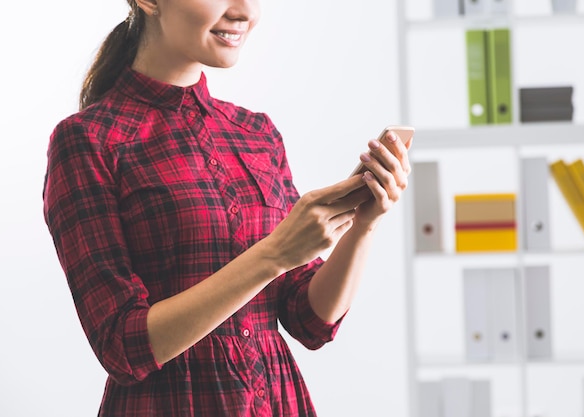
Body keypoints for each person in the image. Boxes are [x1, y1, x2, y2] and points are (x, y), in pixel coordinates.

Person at [42, 0, 410, 416]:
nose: (245, 11)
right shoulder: (89, 141)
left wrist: (365, 222)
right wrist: (272, 256)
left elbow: (308, 319)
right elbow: (121, 346)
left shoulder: (257, 134)